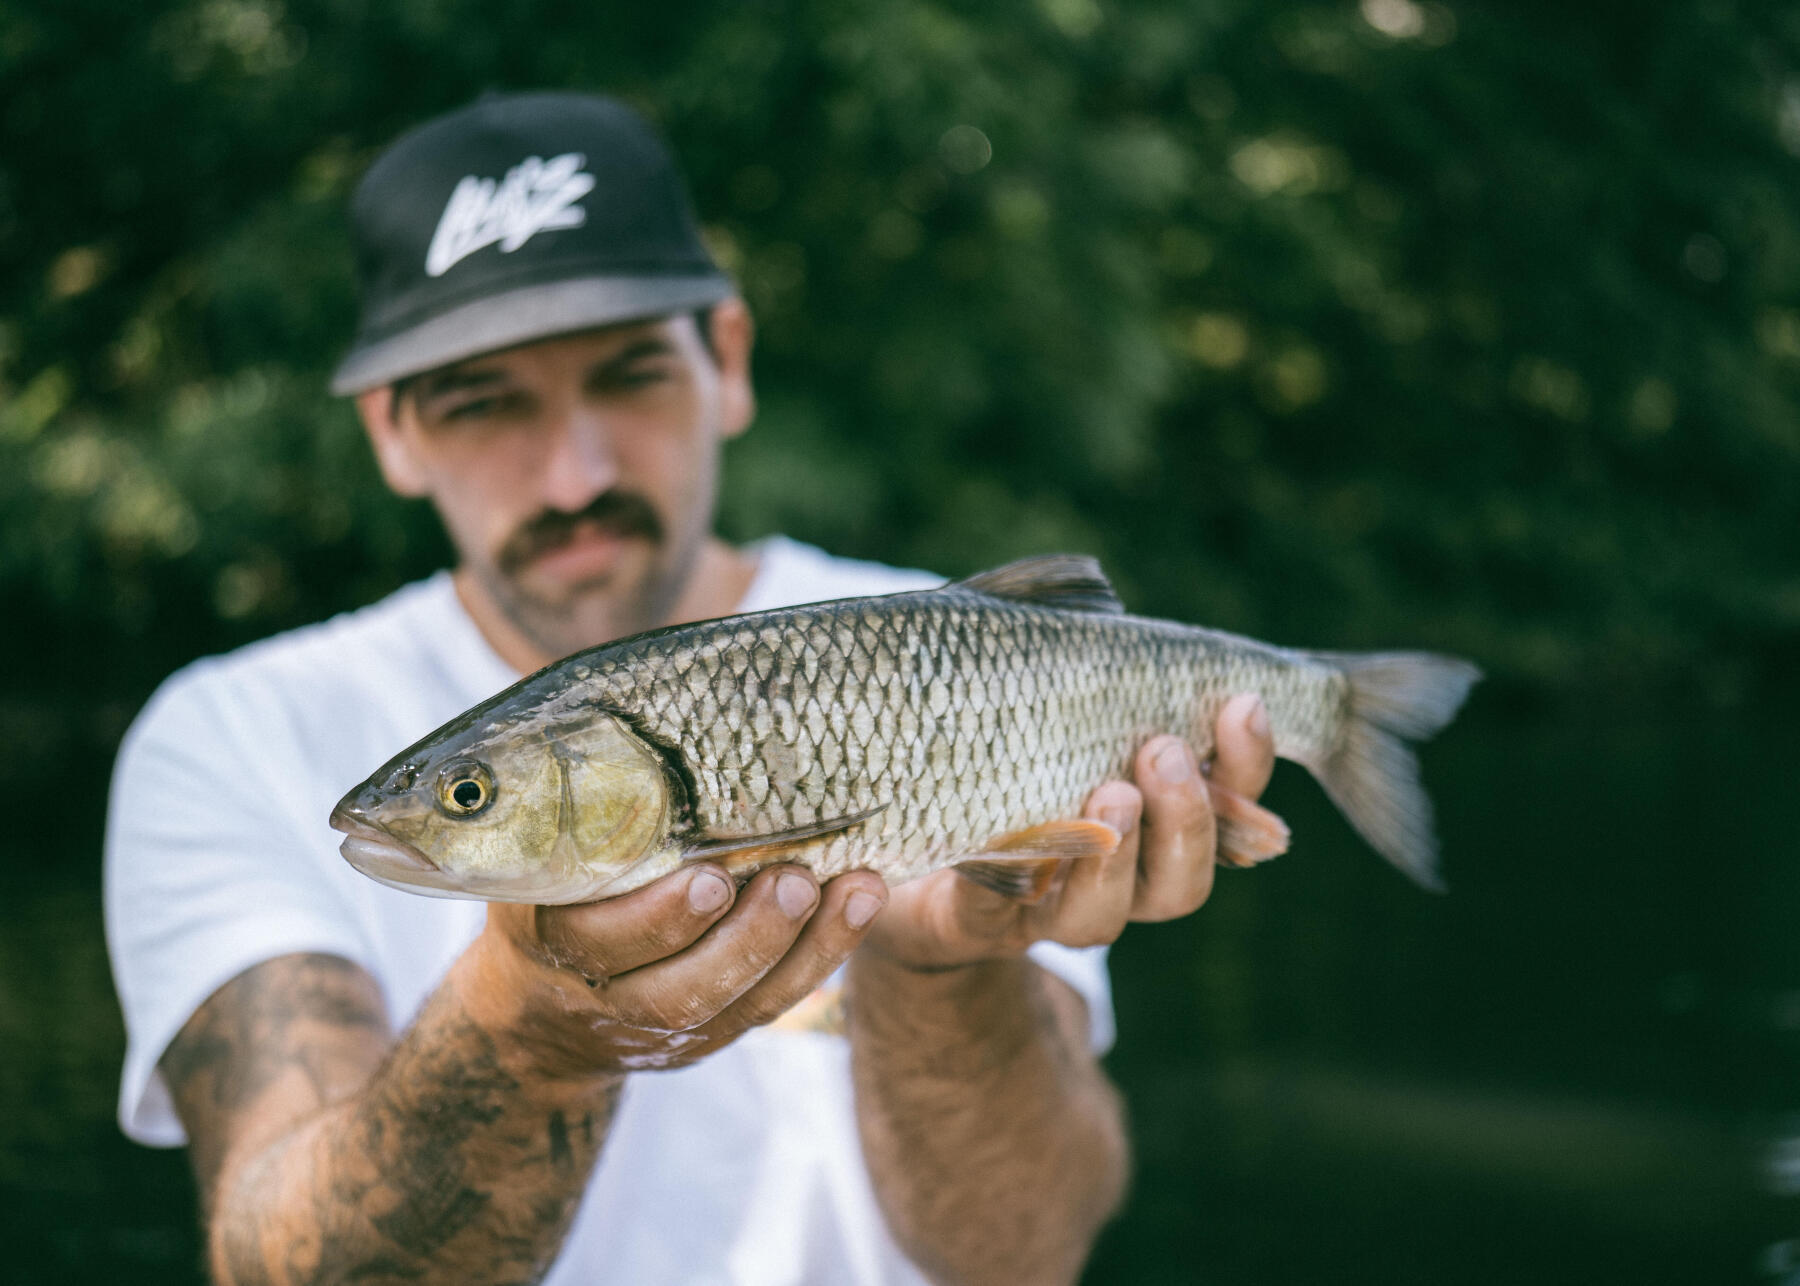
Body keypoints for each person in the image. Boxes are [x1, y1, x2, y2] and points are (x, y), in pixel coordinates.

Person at [104, 91, 1282, 1286]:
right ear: (393, 433)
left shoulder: (968, 661)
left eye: (628, 378)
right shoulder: (230, 734)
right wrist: (532, 1031)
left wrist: (940, 966)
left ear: (725, 360)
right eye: (486, 402)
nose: (576, 473)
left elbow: (1027, 1255)